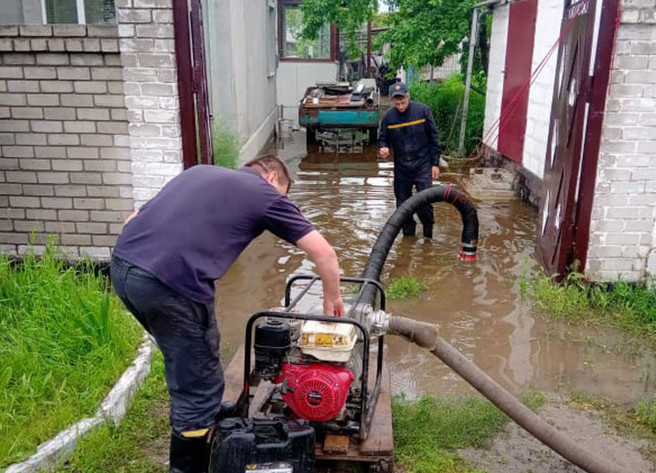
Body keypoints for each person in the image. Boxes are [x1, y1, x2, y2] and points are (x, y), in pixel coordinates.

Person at [109, 155, 345, 473]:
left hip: (123, 269)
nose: (282, 201)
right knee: (197, 382)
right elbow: (324, 253)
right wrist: (333, 300)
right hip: (171, 284)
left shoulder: (199, 172)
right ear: (272, 177)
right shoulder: (264, 193)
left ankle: (203, 410)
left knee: (193, 353)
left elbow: (132, 218)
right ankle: (188, 460)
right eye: (283, 194)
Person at [377, 82, 441, 238]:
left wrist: (435, 164)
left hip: (422, 165)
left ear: (408, 96)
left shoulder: (423, 111)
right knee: (403, 206)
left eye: (403, 102)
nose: (400, 106)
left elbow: (434, 138)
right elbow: (382, 138)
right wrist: (383, 148)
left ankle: (428, 236)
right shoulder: (389, 117)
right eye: (397, 103)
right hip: (401, 167)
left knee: (424, 202)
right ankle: (408, 238)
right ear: (392, 101)